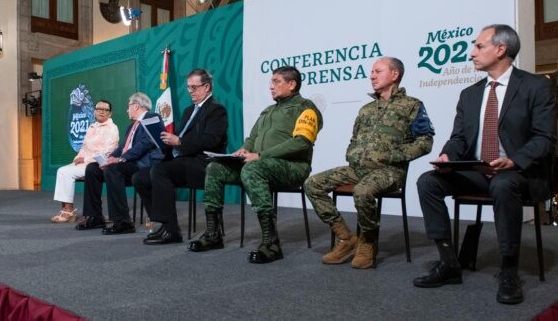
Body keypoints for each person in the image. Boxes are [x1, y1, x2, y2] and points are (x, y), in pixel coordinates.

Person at [413, 24, 556, 305]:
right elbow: (458, 139)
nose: (471, 53)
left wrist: (513, 160)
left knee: (503, 184)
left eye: (479, 46)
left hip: (518, 173)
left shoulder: (536, 86)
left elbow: (545, 139)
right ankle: (449, 262)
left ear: (500, 49)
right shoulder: (470, 94)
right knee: (427, 182)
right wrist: (447, 156)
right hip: (478, 172)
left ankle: (509, 270)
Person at [304, 57, 434, 269]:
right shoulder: (366, 109)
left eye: (378, 71)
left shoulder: (412, 105)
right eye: (371, 72)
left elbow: (425, 141)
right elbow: (354, 138)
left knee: (363, 192)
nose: (372, 75)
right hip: (358, 168)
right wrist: (352, 152)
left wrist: (394, 155)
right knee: (312, 184)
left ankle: (367, 240)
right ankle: (345, 238)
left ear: (395, 75)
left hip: (389, 171)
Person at [188, 66, 322, 264]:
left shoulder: (306, 108)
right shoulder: (268, 111)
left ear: (292, 84)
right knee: (215, 168)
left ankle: (271, 243)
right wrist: (242, 150)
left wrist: (260, 155)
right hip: (261, 165)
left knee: (252, 168)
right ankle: (213, 234)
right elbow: (252, 138)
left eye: (276, 82)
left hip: (292, 168)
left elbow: (301, 142)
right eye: (271, 82)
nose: (271, 86)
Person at [134, 69, 228, 245]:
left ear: (206, 87)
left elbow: (212, 140)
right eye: (188, 87)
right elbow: (177, 139)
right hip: (182, 160)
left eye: (194, 87)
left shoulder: (216, 110)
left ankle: (171, 231)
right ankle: (163, 225)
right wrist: (163, 142)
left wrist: (179, 142)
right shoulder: (188, 111)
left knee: (161, 171)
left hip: (203, 163)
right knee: (140, 177)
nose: (190, 91)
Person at [75, 92, 165, 234]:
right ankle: (95, 216)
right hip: (127, 165)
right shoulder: (131, 127)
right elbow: (122, 148)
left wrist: (121, 159)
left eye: (128, 106)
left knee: (113, 169)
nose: (127, 110)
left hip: (142, 166)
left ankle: (123, 221)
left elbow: (145, 143)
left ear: (136, 106)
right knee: (93, 168)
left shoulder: (152, 117)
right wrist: (108, 159)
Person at [50, 100, 119, 223]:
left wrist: (86, 159)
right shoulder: (92, 127)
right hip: (85, 162)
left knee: (65, 172)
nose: (101, 112)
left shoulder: (112, 129)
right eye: (99, 109)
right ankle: (66, 209)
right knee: (62, 171)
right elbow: (84, 147)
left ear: (110, 113)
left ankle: (69, 211)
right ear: (94, 111)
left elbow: (108, 151)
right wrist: (78, 158)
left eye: (105, 110)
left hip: (99, 164)